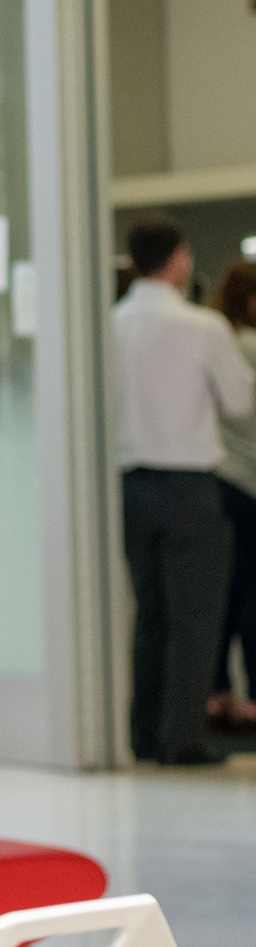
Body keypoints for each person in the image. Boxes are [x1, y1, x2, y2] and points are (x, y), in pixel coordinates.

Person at [113, 221, 254, 765]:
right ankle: (184, 738)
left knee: (150, 614)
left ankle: (143, 734)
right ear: (177, 260)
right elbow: (240, 403)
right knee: (196, 618)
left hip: (131, 484)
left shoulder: (111, 325)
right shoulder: (202, 326)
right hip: (192, 485)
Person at [208, 261, 256, 731]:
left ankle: (218, 694)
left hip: (222, 481)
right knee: (253, 594)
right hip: (250, 484)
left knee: (222, 592)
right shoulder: (250, 346)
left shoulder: (219, 343)